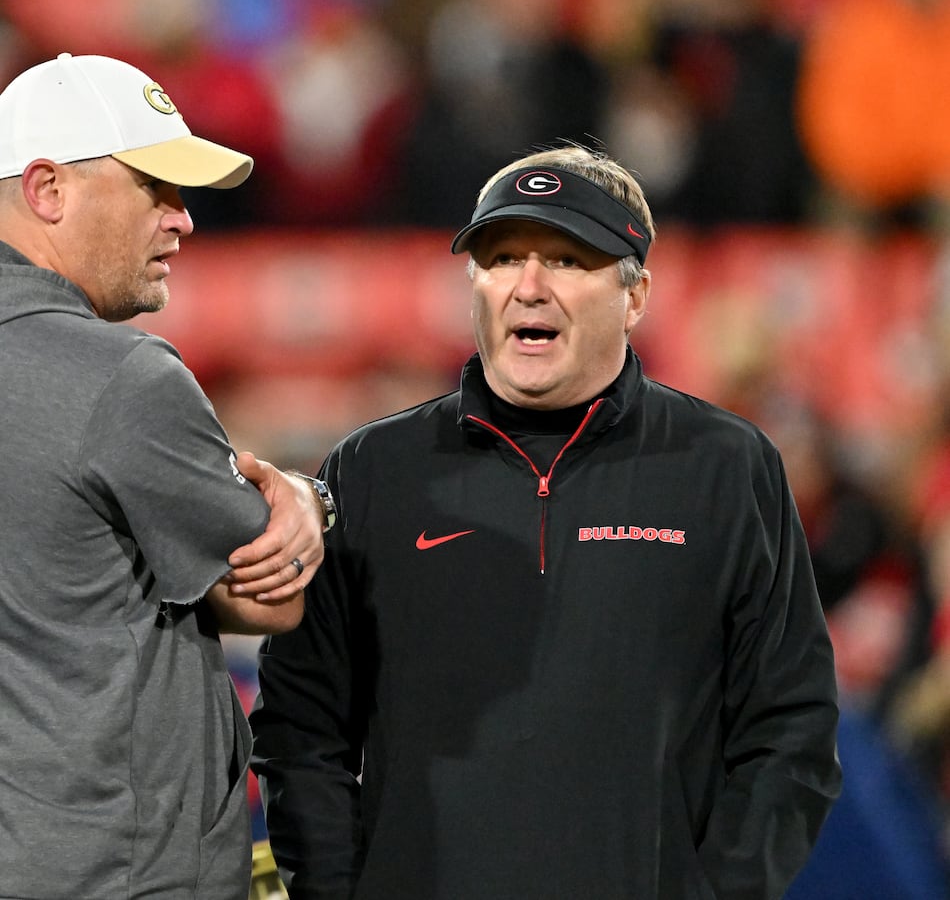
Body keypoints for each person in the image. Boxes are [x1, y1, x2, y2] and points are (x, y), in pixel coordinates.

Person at [250, 144, 842, 899]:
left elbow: (791, 724)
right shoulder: (371, 471)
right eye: (501, 259)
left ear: (635, 295)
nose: (528, 287)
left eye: (566, 259)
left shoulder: (726, 467)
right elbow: (300, 726)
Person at [0, 52, 336, 899]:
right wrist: (307, 497)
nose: (183, 220)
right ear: (47, 189)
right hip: (117, 870)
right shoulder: (122, 376)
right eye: (155, 188)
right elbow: (270, 592)